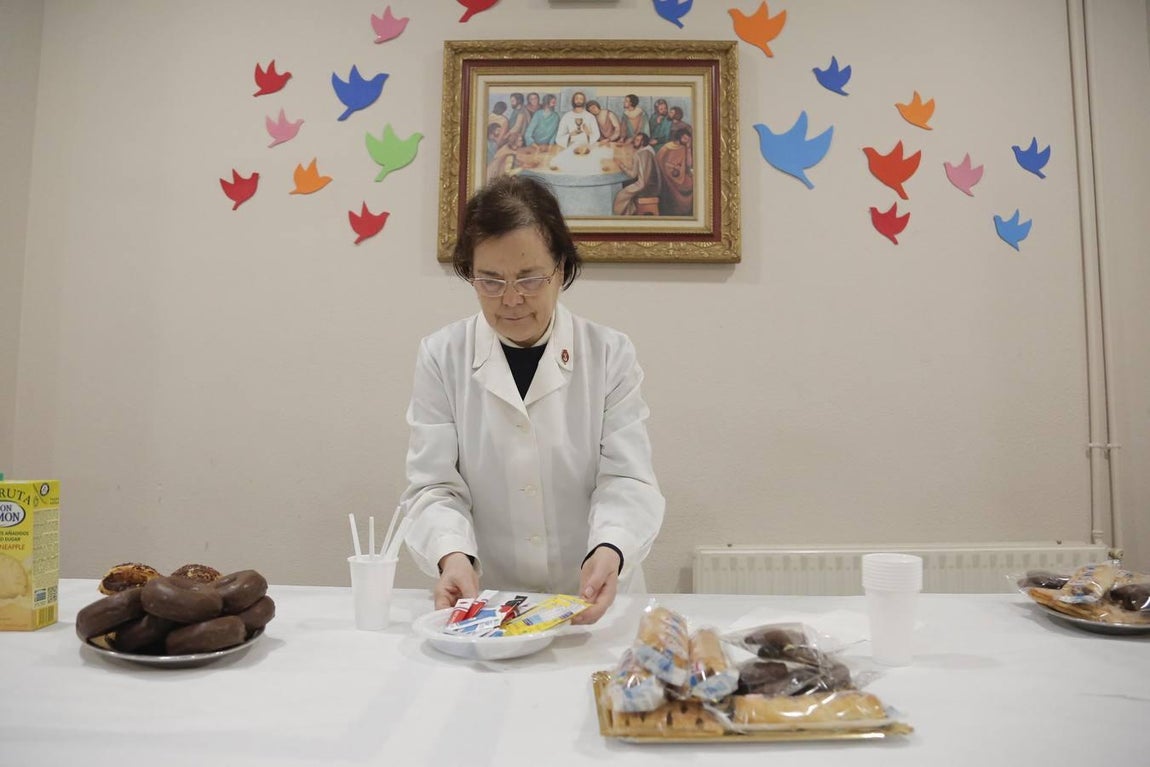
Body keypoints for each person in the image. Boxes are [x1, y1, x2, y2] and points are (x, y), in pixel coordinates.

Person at [401, 175, 665, 624]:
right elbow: (433, 486)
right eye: (490, 280)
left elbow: (627, 478)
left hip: (591, 603)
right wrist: (452, 554)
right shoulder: (442, 356)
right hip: (488, 605)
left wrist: (611, 545)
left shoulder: (608, 353)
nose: (511, 299)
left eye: (529, 278)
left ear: (561, 267)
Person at [613, 133, 661, 216]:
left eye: (637, 140)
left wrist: (620, 164)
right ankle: (630, 212)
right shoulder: (649, 150)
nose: (635, 141)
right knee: (627, 186)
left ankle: (621, 215)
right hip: (655, 185)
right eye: (635, 139)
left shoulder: (639, 154)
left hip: (646, 188)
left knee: (621, 195)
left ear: (642, 143)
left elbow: (633, 175)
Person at [656, 127, 693, 216]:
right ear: (679, 137)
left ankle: (685, 212)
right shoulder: (667, 147)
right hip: (666, 176)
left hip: (680, 176)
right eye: (685, 138)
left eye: (688, 140)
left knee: (691, 184)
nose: (686, 141)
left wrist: (688, 148)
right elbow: (659, 162)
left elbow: (689, 165)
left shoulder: (684, 148)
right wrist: (672, 168)